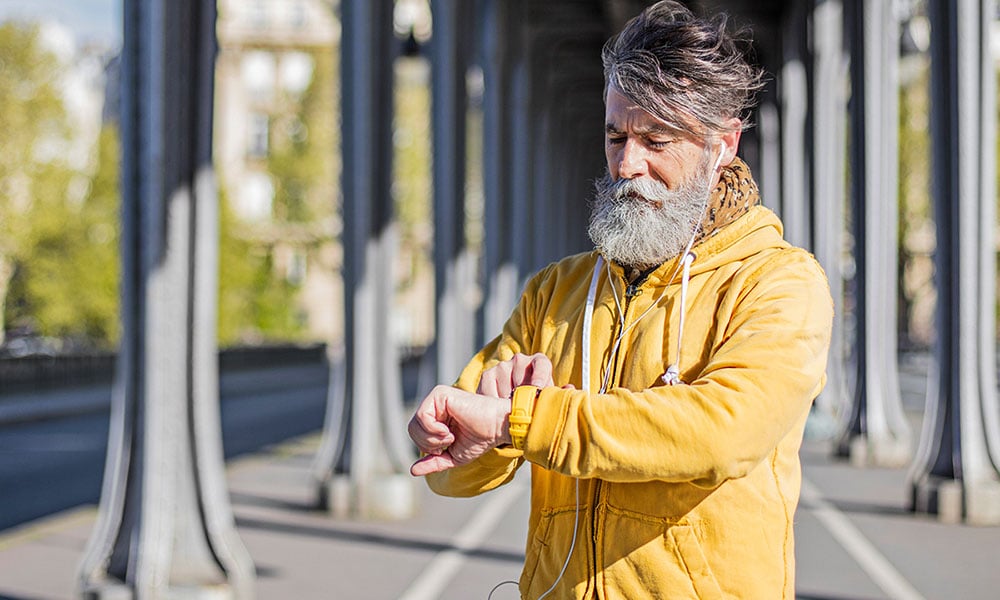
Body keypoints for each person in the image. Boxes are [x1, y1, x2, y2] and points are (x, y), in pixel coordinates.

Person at [407, 1, 833, 598]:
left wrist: (519, 421)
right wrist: (458, 438)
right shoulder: (555, 292)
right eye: (616, 135)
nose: (627, 164)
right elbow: (455, 471)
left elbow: (721, 433)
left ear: (723, 144)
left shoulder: (779, 283)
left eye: (656, 137)